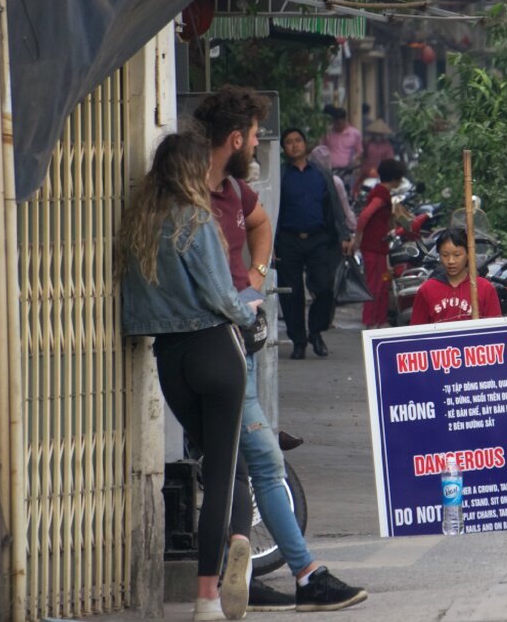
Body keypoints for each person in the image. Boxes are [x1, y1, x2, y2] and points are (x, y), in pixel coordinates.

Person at [194, 91, 367, 613]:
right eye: (252, 135)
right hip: (208, 344)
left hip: (234, 342)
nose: (257, 144)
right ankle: (307, 575)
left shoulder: (232, 190)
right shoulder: (191, 195)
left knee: (237, 468)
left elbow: (259, 224)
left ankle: (233, 578)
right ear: (235, 139)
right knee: (262, 462)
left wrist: (257, 277)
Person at [118, 132, 260, 622]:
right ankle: (207, 597)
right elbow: (222, 296)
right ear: (190, 171)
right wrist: (249, 310)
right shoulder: (196, 221)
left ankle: (239, 539)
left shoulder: (139, 223)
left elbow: (134, 310)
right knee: (222, 473)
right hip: (215, 351)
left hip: (170, 359)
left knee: (222, 457)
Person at [276, 128, 353, 360]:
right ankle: (298, 341)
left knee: (324, 288)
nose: (294, 145)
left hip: (319, 239)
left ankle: (316, 332)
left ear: (305, 144)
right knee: (291, 294)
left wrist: (344, 235)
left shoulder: (320, 173)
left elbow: (335, 206)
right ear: (284, 148)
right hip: (288, 240)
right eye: (289, 142)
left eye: (298, 140)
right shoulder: (281, 175)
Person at [348, 158, 407, 328]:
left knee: (382, 284)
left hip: (379, 247)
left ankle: (380, 320)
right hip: (372, 247)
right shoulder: (381, 194)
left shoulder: (383, 193)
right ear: (396, 177)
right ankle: (370, 321)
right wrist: (357, 238)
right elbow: (365, 215)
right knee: (374, 285)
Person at [410, 227, 502, 324]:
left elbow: (495, 332)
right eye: (445, 255)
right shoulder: (427, 290)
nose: (451, 261)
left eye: (457, 255)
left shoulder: (485, 288)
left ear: (468, 254)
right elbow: (417, 331)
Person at [320, 105, 363, 174]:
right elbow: (322, 149)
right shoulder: (328, 132)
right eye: (335, 123)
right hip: (330, 170)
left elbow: (359, 151)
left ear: (345, 120)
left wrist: (354, 158)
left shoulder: (355, 133)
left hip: (347, 171)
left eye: (339, 123)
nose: (337, 126)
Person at [359, 119, 397, 185]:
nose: (378, 136)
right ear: (373, 134)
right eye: (376, 134)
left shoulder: (387, 145)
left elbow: (390, 160)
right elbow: (363, 156)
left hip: (382, 173)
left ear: (382, 135)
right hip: (367, 172)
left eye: (379, 134)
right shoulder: (367, 143)